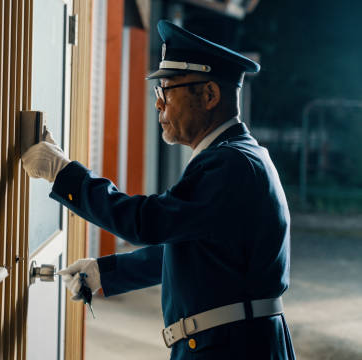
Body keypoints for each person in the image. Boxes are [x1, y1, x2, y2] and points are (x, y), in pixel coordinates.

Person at [21, 20, 295, 359]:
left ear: (209, 95)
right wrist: (105, 273)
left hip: (230, 348)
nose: (158, 104)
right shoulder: (237, 155)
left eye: (167, 90)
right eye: (158, 92)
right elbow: (195, 252)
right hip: (234, 341)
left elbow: (147, 222)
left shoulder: (230, 164)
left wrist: (64, 175)